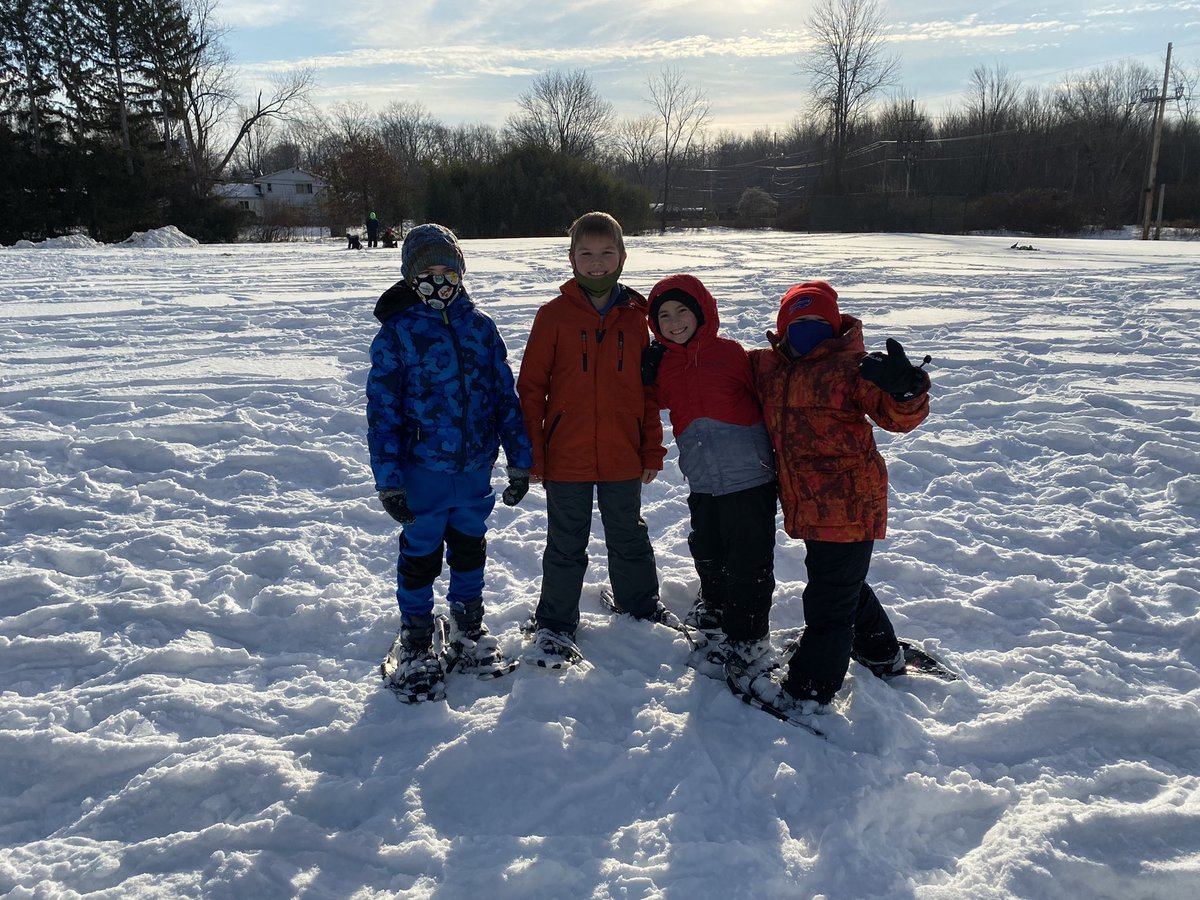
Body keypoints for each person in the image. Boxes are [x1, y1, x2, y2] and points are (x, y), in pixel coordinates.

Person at [736, 280, 932, 716]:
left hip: (851, 503)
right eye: (797, 321)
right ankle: (881, 652)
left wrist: (907, 392)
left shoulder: (854, 368)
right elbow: (719, 370)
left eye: (817, 322)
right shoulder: (769, 367)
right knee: (840, 585)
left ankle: (809, 690)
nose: (807, 330)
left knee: (828, 605)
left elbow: (896, 415)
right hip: (809, 505)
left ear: (834, 325)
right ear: (782, 327)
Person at [366, 223, 534, 700]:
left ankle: (467, 622)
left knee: (469, 546)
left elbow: (505, 397)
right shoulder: (398, 334)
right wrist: (390, 480)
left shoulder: (480, 329)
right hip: (422, 471)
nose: (437, 280)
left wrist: (520, 461)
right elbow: (383, 411)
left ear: (461, 273)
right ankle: (417, 634)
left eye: (447, 271)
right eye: (427, 272)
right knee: (420, 553)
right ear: (409, 277)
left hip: (474, 467)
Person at [516, 211, 668, 667]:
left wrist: (651, 448)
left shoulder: (638, 318)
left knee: (629, 535)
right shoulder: (553, 316)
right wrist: (534, 453)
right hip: (567, 455)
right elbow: (531, 389)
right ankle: (556, 623)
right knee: (565, 541)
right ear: (571, 259)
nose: (596, 263)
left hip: (623, 452)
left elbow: (649, 393)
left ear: (622, 256)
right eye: (586, 254)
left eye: (606, 254)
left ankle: (640, 606)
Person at [642, 274, 778, 674]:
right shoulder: (663, 365)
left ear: (703, 312)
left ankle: (750, 639)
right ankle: (716, 609)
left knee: (748, 562)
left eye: (682, 311)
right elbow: (648, 405)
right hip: (702, 480)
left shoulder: (732, 354)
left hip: (749, 479)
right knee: (707, 548)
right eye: (663, 315)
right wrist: (643, 375)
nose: (674, 321)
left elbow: (772, 392)